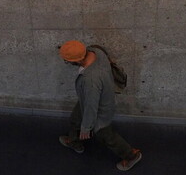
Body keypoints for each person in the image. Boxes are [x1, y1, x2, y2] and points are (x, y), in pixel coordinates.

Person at [57, 40, 142, 171]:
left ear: (78, 61)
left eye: (68, 61)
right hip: (90, 99)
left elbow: (91, 107)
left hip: (100, 108)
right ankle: (74, 141)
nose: (67, 63)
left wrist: (86, 128)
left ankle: (131, 156)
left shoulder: (90, 79)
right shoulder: (96, 51)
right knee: (75, 119)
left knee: (105, 135)